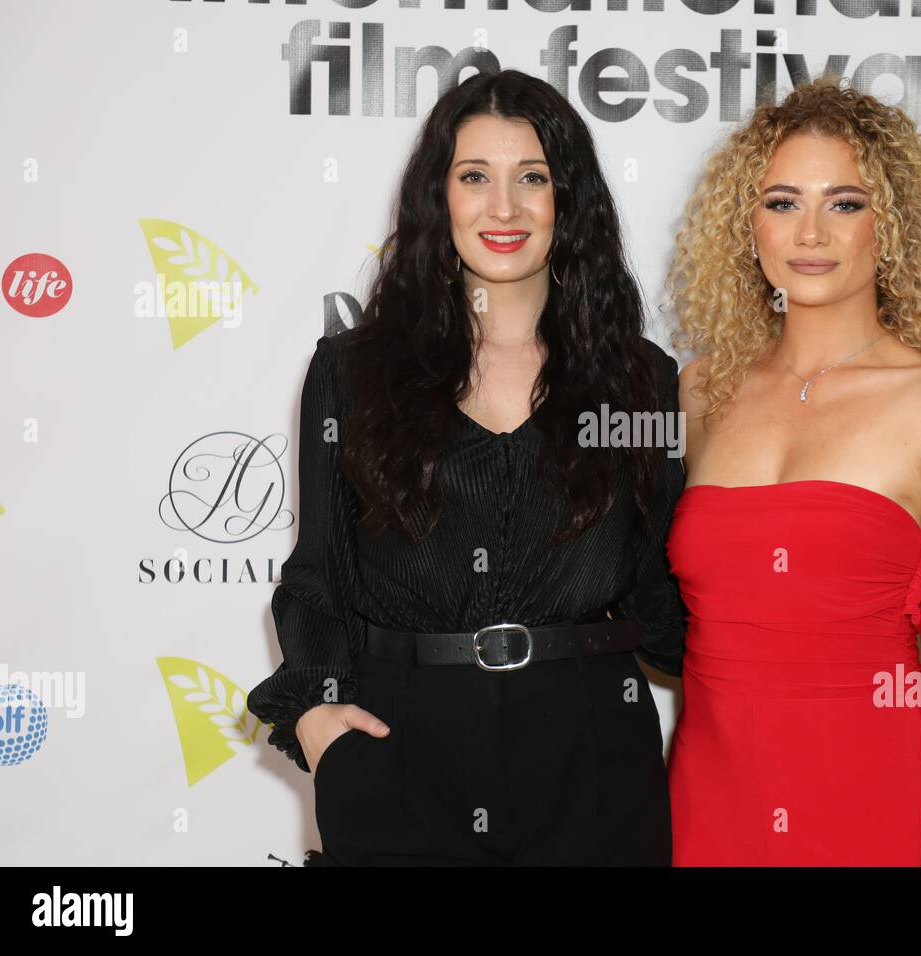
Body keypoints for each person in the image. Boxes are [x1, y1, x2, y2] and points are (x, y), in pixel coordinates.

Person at [246, 69, 686, 866]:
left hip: (591, 754)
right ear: (437, 197)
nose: (505, 207)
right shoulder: (353, 373)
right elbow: (318, 577)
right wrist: (314, 718)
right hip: (401, 748)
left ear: (570, 202)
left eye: (533, 179)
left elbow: (662, 587)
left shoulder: (644, 382)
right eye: (475, 177)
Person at [664, 76, 921, 866]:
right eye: (782, 202)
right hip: (707, 807)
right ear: (746, 226)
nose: (810, 231)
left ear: (890, 226)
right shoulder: (700, 393)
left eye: (844, 203)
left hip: (866, 806)